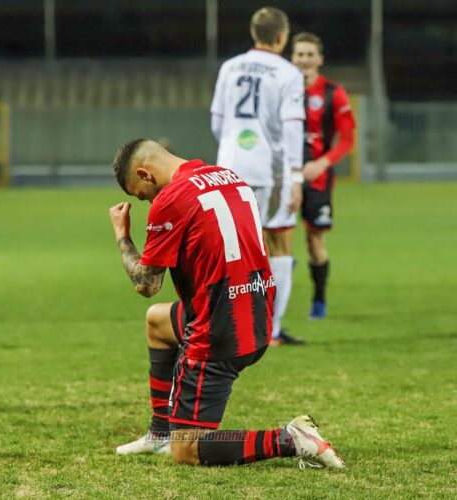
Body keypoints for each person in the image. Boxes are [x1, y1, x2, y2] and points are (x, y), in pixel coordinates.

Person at [108, 139, 344, 468]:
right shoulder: (228, 176)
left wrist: (122, 235)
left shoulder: (172, 199)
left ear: (145, 174)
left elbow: (147, 284)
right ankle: (159, 433)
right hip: (257, 314)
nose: (148, 202)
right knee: (158, 322)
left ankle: (289, 438)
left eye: (142, 195)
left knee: (187, 449)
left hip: (217, 332)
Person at [210, 7, 305, 345]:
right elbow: (293, 128)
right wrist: (295, 178)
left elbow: (217, 123)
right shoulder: (288, 73)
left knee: (232, 251)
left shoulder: (229, 67)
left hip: (227, 169)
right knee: (278, 242)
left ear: (254, 34)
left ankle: (228, 327)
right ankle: (270, 330)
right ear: (281, 36)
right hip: (269, 171)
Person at [291, 32, 356, 319]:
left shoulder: (333, 93)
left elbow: (347, 139)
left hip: (317, 178)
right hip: (285, 175)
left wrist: (323, 163)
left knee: (314, 242)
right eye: (299, 54)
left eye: (309, 54)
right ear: (292, 58)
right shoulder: (283, 90)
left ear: (319, 59)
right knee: (274, 239)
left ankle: (319, 299)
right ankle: (272, 304)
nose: (304, 60)